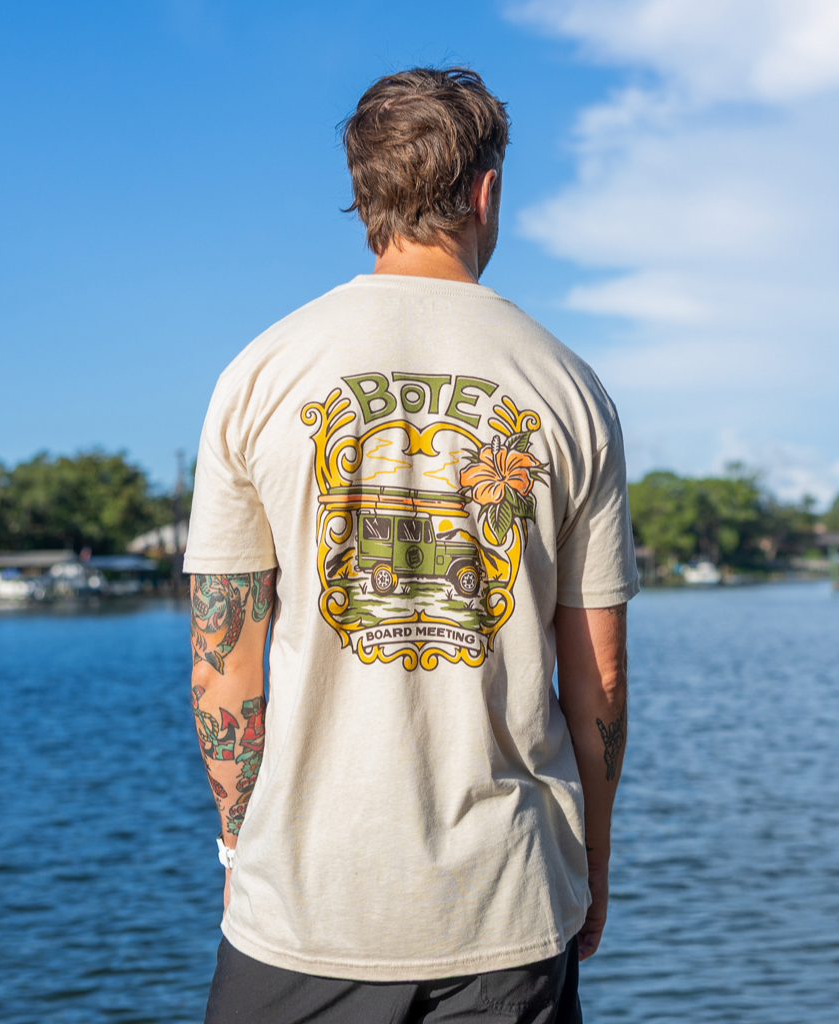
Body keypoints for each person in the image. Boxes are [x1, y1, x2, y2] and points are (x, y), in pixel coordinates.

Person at [183, 66, 638, 1024]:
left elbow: (226, 661)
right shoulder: (568, 386)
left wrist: (239, 848)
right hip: (509, 906)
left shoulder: (259, 372)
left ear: (364, 198)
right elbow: (597, 674)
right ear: (486, 191)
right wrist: (592, 856)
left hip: (302, 908)